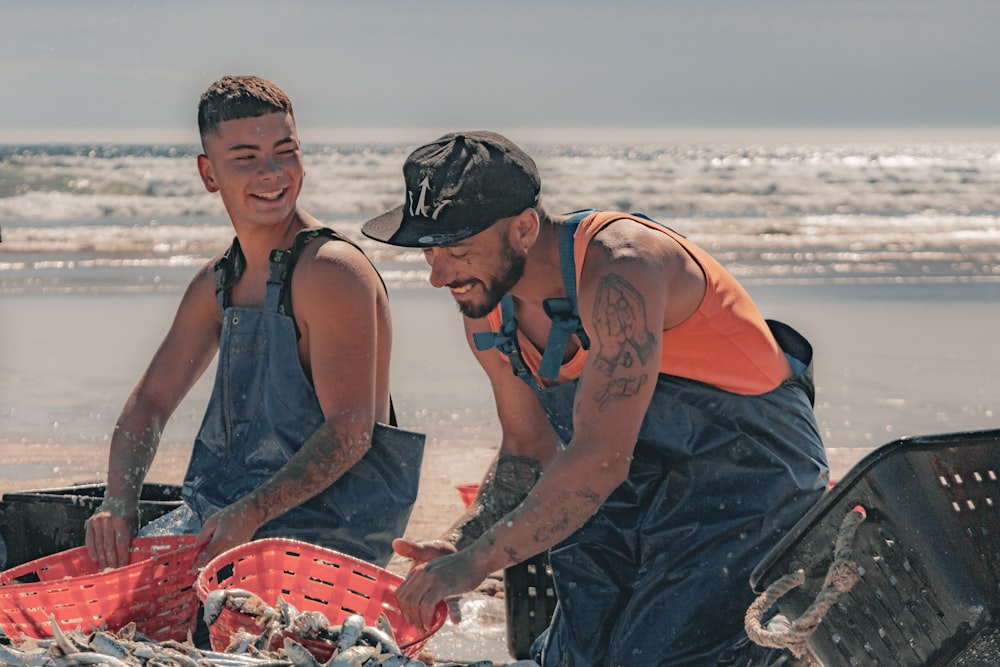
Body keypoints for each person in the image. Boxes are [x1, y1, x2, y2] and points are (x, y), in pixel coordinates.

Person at [362, 131, 830, 666]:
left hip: (752, 487)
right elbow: (528, 450)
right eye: (430, 251)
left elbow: (599, 460)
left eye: (457, 249)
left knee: (656, 655)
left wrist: (477, 566)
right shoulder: (488, 310)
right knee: (573, 658)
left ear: (524, 228)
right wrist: (461, 544)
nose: (437, 274)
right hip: (627, 490)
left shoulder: (623, 269)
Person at [85, 76, 424, 572]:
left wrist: (252, 512)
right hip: (230, 517)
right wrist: (118, 501)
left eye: (284, 150)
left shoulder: (330, 270)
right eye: (245, 156)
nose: (271, 172)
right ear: (209, 173)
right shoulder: (217, 282)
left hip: (329, 533)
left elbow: (351, 433)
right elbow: (150, 404)